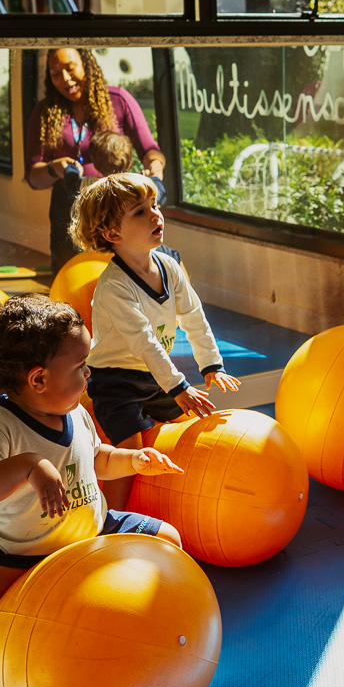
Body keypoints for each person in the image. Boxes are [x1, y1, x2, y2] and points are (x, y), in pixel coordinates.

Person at [0, 293, 185, 687]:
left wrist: (134, 460)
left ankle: (159, 644)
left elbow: (96, 459)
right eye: (80, 367)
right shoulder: (0, 427)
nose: (89, 374)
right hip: (19, 553)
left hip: (94, 535)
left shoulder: (75, 410)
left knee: (170, 540)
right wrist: (28, 465)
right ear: (38, 380)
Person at [69, 173, 239, 509]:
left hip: (152, 376)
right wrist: (179, 387)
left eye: (154, 205)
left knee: (190, 425)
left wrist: (211, 365)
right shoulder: (115, 287)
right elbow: (145, 342)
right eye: (140, 212)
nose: (155, 215)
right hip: (115, 381)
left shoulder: (169, 267)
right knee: (131, 449)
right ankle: (111, 519)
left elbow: (194, 316)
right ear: (112, 233)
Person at [24, 48, 167, 273]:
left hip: (118, 212)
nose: (65, 79)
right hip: (71, 216)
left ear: (86, 63)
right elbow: (33, 177)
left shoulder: (119, 100)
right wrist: (55, 168)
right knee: (72, 282)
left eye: (70, 68)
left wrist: (155, 168)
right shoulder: (44, 112)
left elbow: (150, 150)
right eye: (55, 73)